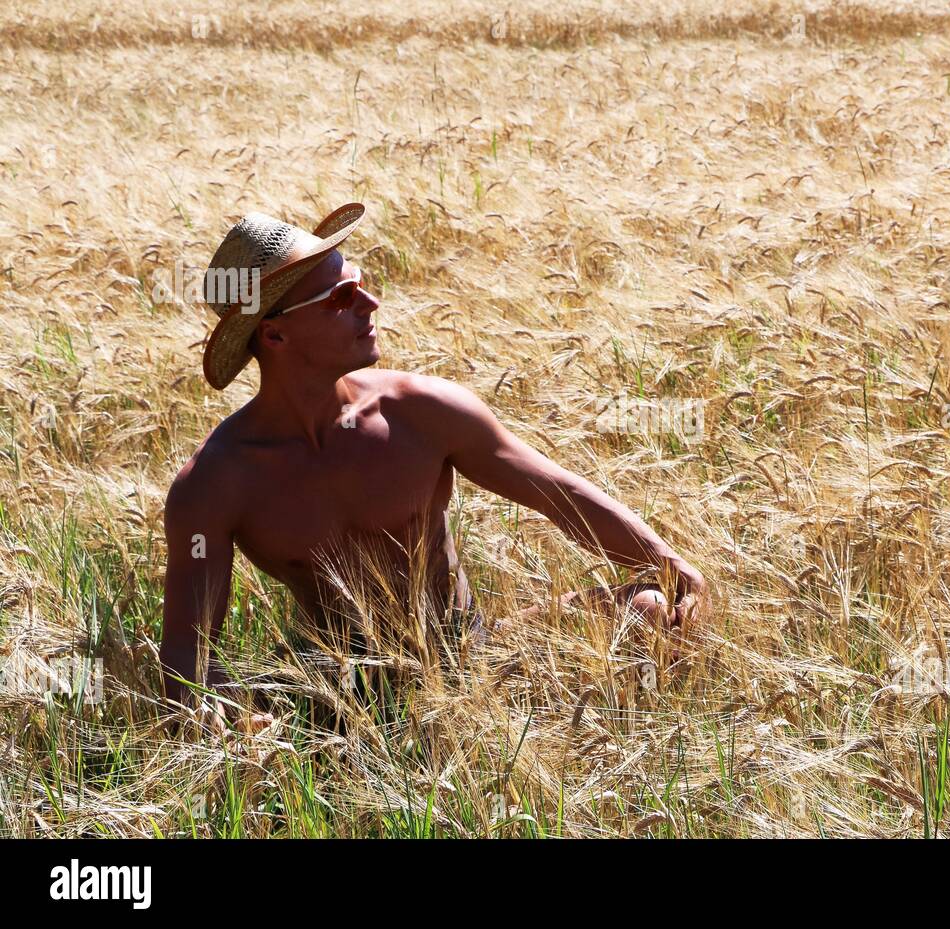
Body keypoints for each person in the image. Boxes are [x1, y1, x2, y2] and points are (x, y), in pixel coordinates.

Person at [159, 203, 708, 722]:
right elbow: (189, 647)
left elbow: (556, 494)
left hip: (474, 651)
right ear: (274, 333)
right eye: (339, 296)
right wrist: (216, 711)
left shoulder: (420, 411)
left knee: (651, 608)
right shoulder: (216, 482)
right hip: (333, 687)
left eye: (359, 281)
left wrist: (667, 561)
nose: (368, 304)